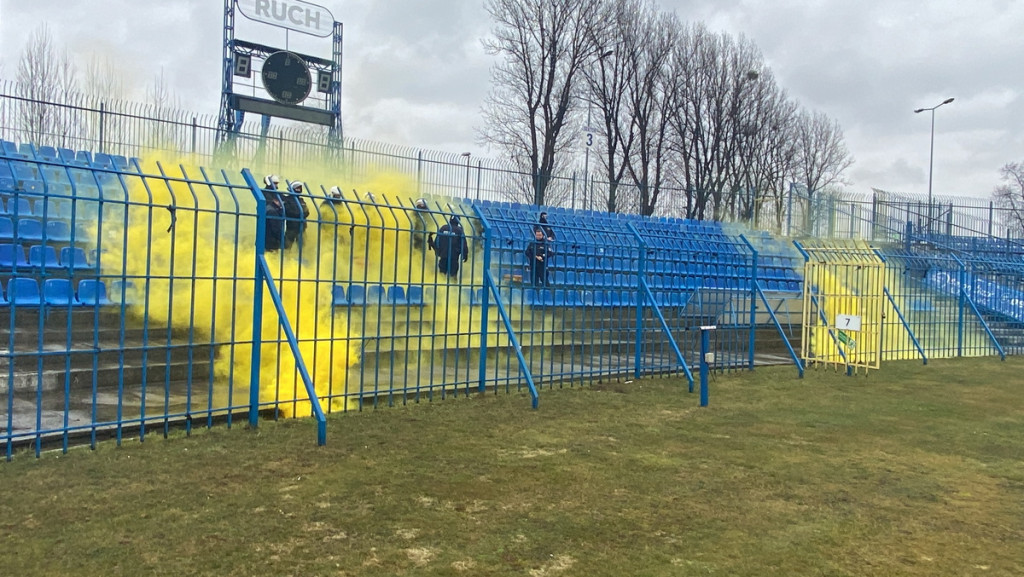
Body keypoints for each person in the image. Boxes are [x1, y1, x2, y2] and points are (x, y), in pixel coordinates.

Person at [281, 180, 310, 249]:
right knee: (287, 247)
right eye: (297, 188)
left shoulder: (301, 200)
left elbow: (307, 212)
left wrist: (300, 214)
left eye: (300, 188)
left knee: (302, 247)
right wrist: (300, 214)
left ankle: (300, 258)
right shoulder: (287, 200)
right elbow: (289, 212)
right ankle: (286, 259)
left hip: (302, 228)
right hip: (291, 228)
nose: (299, 189)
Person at [262, 174, 286, 251]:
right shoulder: (265, 193)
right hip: (268, 226)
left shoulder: (277, 194)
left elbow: (286, 199)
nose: (276, 185)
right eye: (275, 183)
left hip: (275, 223)